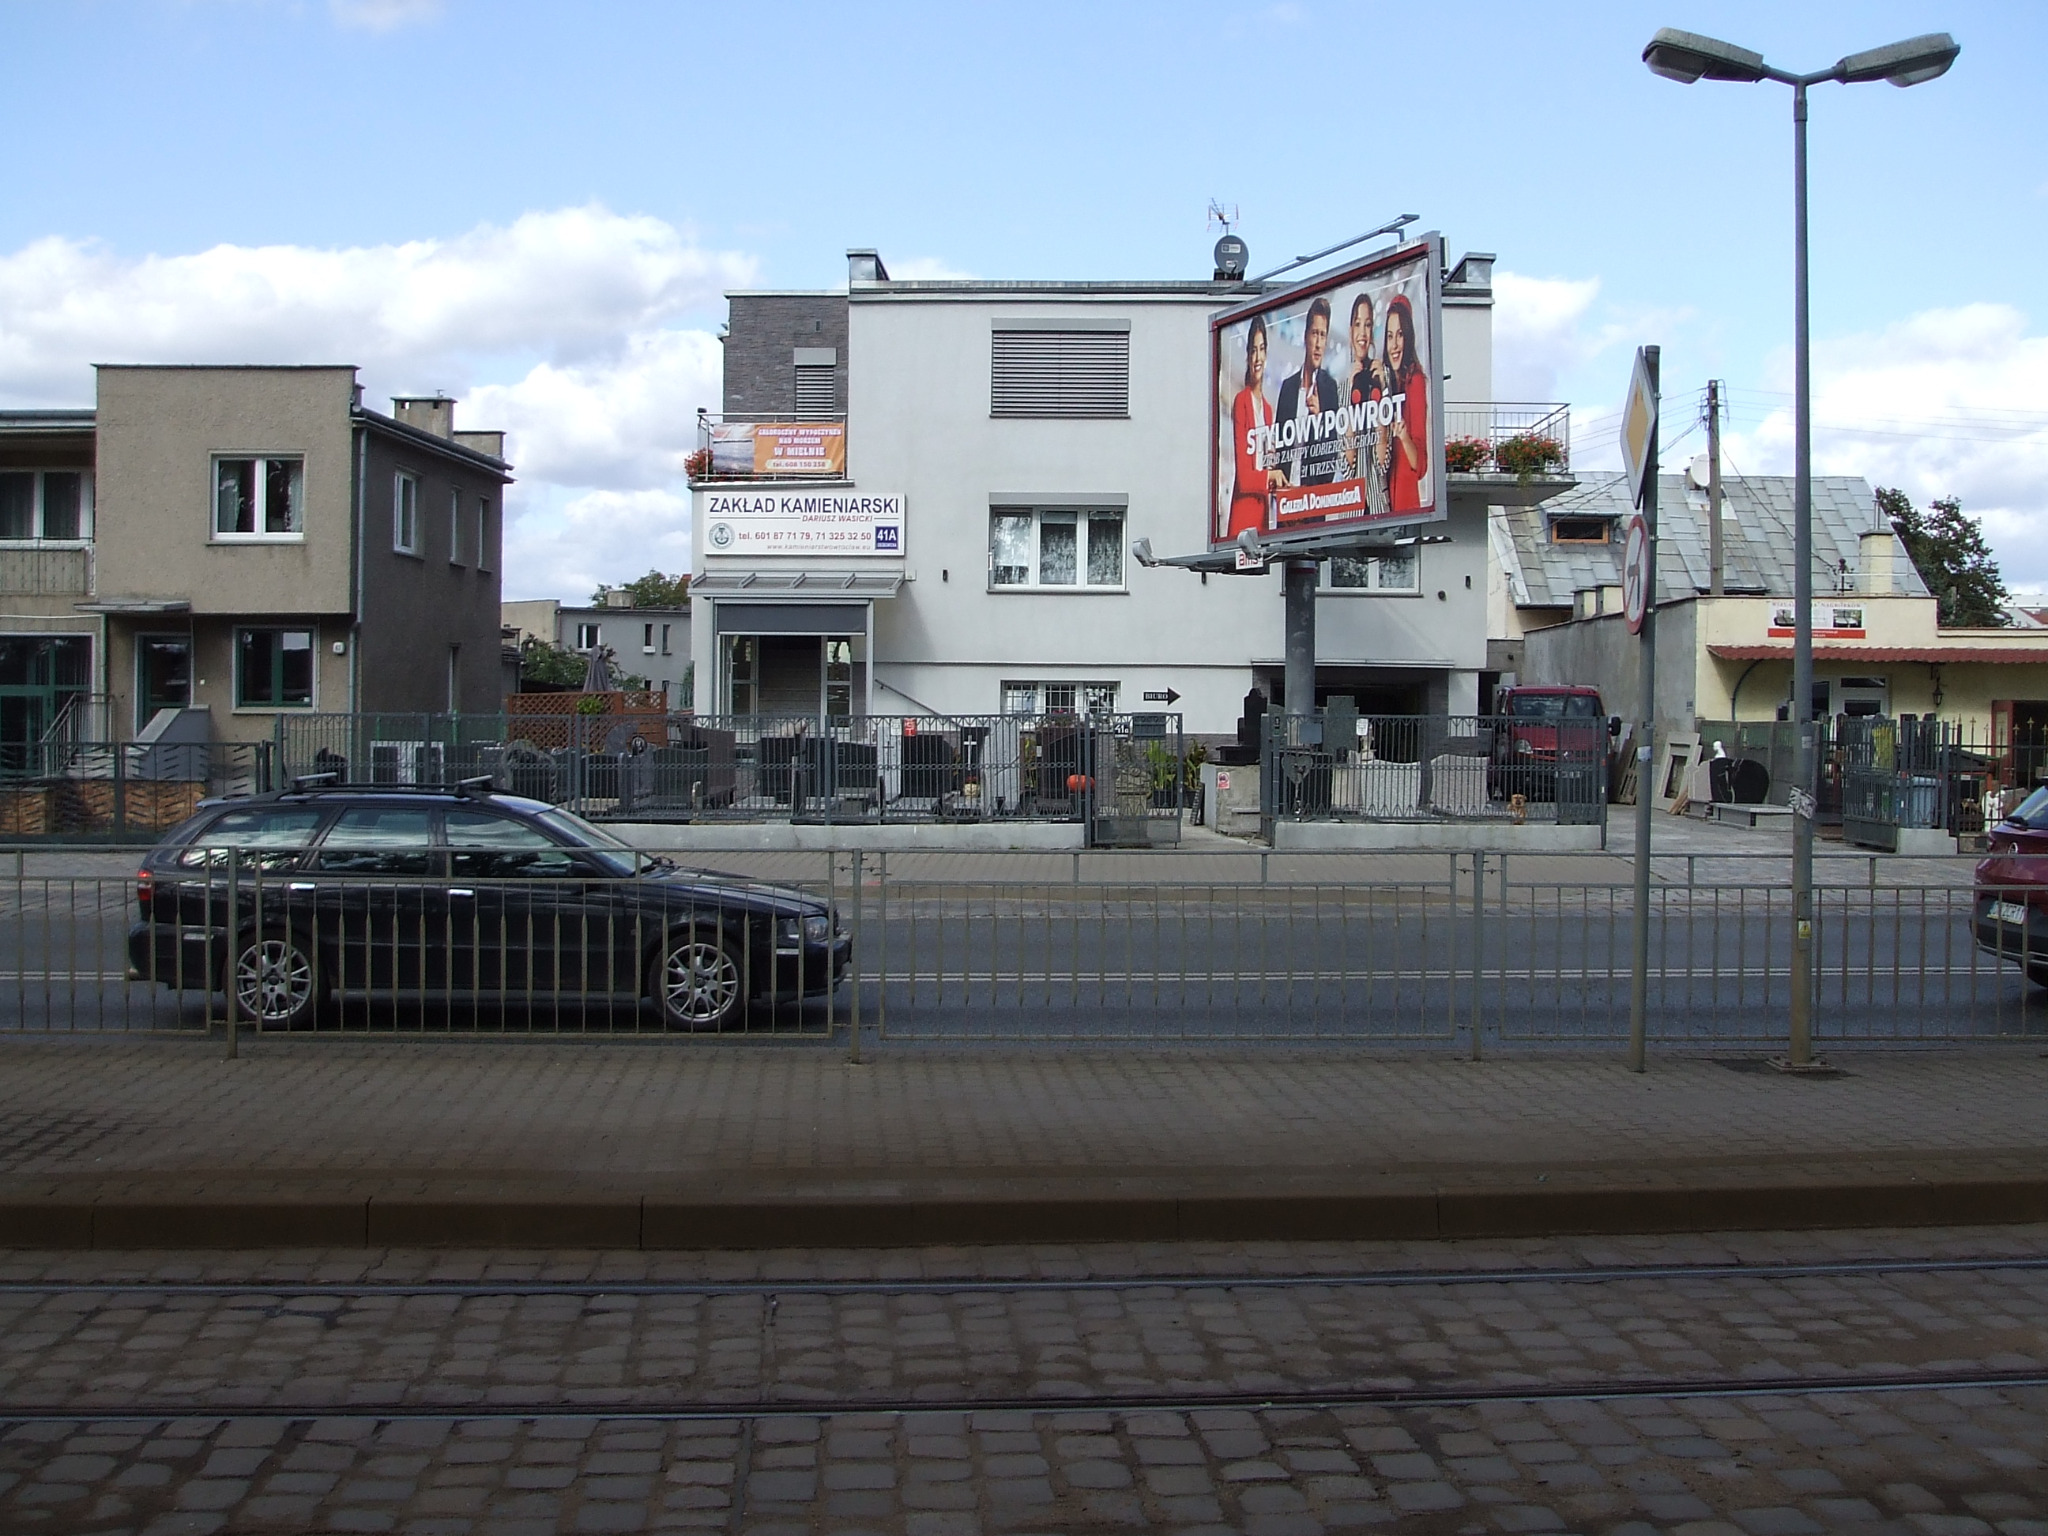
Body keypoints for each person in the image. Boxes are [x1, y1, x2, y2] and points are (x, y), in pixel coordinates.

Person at [1226, 314, 1285, 539]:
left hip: (1263, 515)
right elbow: (1243, 477)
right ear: (1248, 356)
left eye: (1261, 349)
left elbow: (1268, 462)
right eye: (1253, 350)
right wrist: (1271, 476)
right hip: (1245, 513)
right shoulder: (1242, 401)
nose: (1257, 357)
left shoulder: (1268, 409)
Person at [1275, 295, 1342, 486]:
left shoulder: (1329, 388)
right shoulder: (1288, 388)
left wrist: (1319, 419)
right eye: (1315, 333)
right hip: (1286, 500)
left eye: (1323, 335)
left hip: (1313, 502)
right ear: (1305, 336)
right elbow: (1279, 451)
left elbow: (1330, 463)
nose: (1319, 344)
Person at [1380, 294, 1431, 513]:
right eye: (1390, 336)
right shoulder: (1383, 380)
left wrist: (1403, 436)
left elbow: (1419, 465)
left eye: (1400, 335)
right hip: (1379, 497)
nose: (1394, 345)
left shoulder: (1415, 381)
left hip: (1403, 500)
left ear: (1408, 337)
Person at [1345, 291, 1390, 517]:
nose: (1362, 333)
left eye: (1368, 325)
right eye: (1358, 324)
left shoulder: (1383, 378)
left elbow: (1383, 461)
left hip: (1378, 504)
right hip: (1348, 506)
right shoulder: (1341, 387)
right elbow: (1346, 464)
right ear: (1350, 331)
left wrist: (1381, 392)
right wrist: (1351, 392)